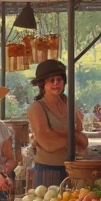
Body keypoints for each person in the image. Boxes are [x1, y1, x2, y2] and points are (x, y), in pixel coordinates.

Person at [27, 59, 89, 188]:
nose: (56, 83)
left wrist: (57, 133)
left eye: (59, 80)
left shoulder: (70, 104)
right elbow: (48, 143)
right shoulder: (37, 107)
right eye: (51, 80)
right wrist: (73, 136)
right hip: (48, 170)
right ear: (42, 83)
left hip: (73, 169)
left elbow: (83, 141)